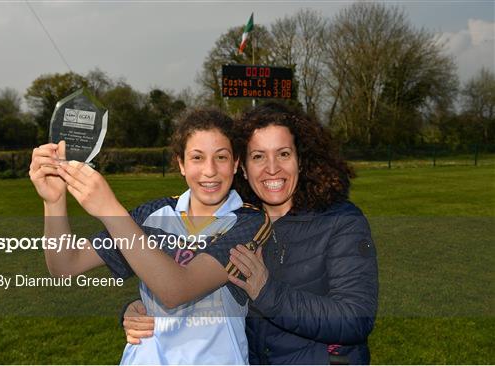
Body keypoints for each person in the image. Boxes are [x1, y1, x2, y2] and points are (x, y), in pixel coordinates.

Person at [123, 102, 379, 364]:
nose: (272, 168)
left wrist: (267, 293)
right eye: (258, 156)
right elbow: (195, 287)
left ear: (300, 161)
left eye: (283, 154)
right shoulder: (236, 223)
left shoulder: (340, 220)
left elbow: (355, 318)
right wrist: (140, 309)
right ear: (242, 167)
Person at [29, 107, 272, 364]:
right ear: (181, 163)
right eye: (197, 158)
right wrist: (54, 201)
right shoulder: (152, 213)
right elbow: (66, 264)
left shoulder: (249, 222)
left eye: (221, 157)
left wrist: (111, 211)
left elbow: (176, 290)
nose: (209, 170)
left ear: (235, 163)